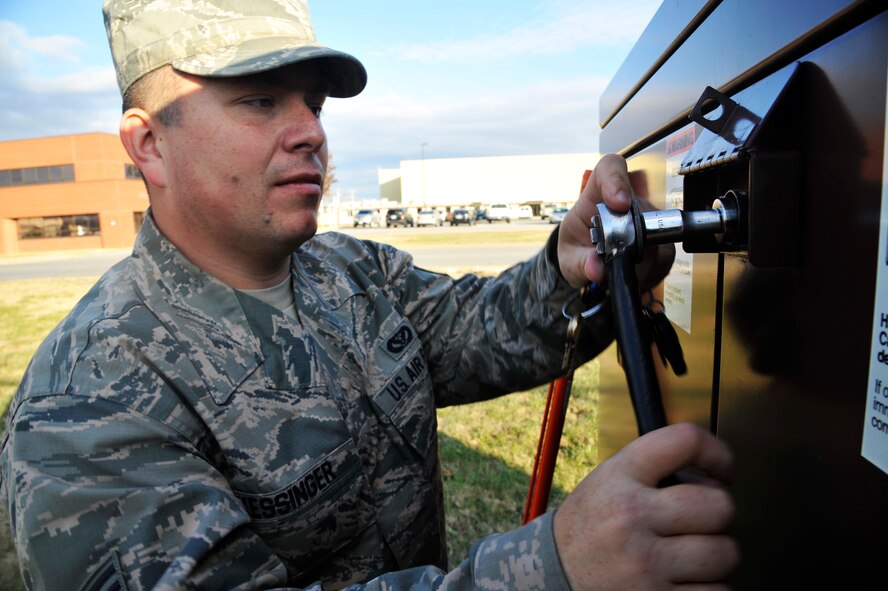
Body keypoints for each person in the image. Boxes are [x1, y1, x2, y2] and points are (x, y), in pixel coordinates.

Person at [0, 1, 739, 589]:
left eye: (314, 103)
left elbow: (480, 331)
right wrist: (552, 568)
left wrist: (569, 266)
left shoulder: (350, 271)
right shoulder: (88, 403)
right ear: (148, 143)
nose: (311, 133)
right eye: (260, 100)